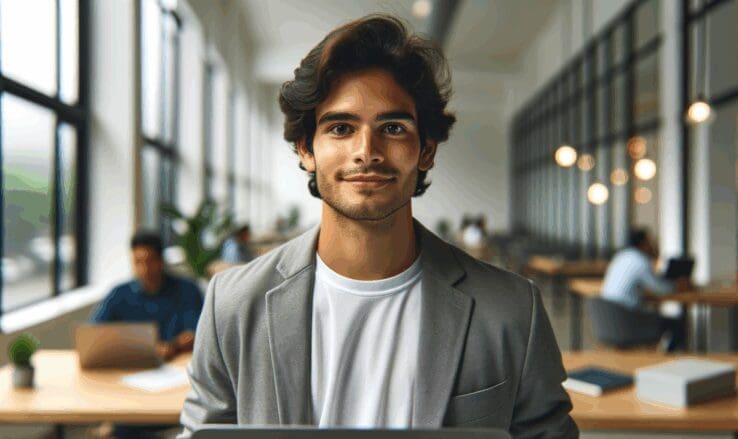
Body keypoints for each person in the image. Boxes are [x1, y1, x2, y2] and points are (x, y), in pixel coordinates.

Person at [180, 15, 576, 438]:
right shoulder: (233, 305)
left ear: (426, 150)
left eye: (392, 128)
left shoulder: (513, 309)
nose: (366, 151)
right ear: (305, 149)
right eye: (340, 128)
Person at [91, 231, 204, 360]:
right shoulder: (118, 293)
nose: (144, 269)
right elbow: (94, 332)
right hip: (131, 363)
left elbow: (196, 333)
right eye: (138, 262)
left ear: (161, 260)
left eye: (150, 261)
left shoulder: (187, 290)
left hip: (176, 362)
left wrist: (173, 346)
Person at [601, 228, 690, 352]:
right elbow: (661, 289)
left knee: (656, 318)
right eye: (650, 241)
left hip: (607, 319)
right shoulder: (640, 260)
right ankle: (664, 360)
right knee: (677, 326)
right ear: (643, 243)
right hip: (627, 320)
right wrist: (678, 286)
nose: (652, 244)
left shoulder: (620, 257)